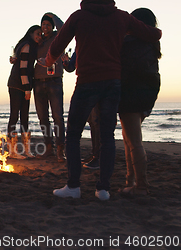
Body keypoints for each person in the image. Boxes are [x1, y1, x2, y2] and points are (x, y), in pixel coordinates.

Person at [40, 0, 162, 201]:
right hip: (112, 83)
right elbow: (155, 34)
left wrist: (49, 61)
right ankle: (103, 190)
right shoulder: (122, 17)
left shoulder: (79, 17)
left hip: (87, 81)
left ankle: (73, 186)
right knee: (107, 137)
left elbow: (58, 44)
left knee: (73, 135)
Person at [118, 8, 161, 196]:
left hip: (130, 96)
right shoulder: (151, 44)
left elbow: (125, 70)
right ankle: (131, 182)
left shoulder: (130, 44)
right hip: (146, 97)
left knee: (133, 141)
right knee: (130, 140)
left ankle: (140, 186)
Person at [33, 13, 66, 162]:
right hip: (38, 81)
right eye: (43, 25)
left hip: (54, 81)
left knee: (57, 117)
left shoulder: (56, 38)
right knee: (43, 117)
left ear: (52, 27)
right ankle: (49, 148)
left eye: (48, 25)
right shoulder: (38, 40)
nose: (45, 27)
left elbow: (64, 29)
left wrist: (53, 16)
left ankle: (60, 150)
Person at [6, 25, 42, 159]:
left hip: (21, 83)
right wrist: (27, 88)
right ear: (31, 33)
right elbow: (23, 68)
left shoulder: (29, 45)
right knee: (15, 116)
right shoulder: (27, 45)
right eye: (37, 34)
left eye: (41, 35)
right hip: (17, 84)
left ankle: (26, 150)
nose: (39, 37)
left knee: (25, 116)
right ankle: (13, 151)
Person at [62, 51, 101, 169]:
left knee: (96, 121)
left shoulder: (99, 42)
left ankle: (98, 157)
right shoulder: (80, 47)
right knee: (91, 121)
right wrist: (65, 61)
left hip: (99, 83)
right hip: (84, 84)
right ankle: (95, 154)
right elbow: (71, 67)